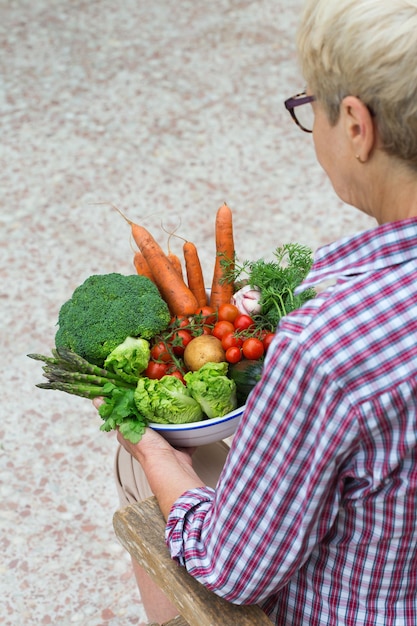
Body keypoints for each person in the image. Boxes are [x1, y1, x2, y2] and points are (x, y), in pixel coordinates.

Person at [110, 0, 417, 623]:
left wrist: (157, 458)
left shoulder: (331, 341)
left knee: (138, 464)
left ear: (357, 125)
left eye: (310, 107)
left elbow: (239, 569)